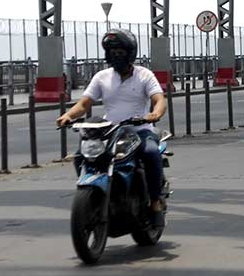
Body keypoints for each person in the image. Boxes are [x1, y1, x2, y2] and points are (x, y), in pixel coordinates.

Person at [56, 29, 167, 219]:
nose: (116, 56)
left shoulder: (144, 75)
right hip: (111, 131)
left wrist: (154, 114)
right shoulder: (102, 77)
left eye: (120, 52)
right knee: (80, 156)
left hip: (140, 130)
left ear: (130, 53)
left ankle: (155, 201)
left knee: (151, 154)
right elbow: (84, 104)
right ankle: (96, 195)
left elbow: (159, 99)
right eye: (112, 52)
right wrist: (68, 115)